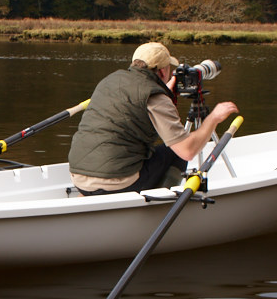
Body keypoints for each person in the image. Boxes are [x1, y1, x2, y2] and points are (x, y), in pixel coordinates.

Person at [68, 42, 238, 196]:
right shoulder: (155, 97)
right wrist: (214, 118)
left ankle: (85, 195)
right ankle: (160, 203)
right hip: (117, 184)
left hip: (78, 177)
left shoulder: (109, 81)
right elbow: (187, 151)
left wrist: (166, 94)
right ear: (163, 71)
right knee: (176, 151)